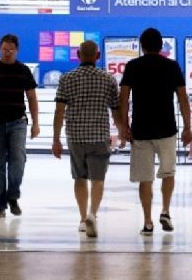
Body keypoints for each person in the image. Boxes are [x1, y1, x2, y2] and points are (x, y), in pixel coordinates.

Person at [117, 28, 192, 237]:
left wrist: (124, 126)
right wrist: (188, 127)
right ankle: (166, 211)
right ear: (161, 46)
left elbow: (123, 97)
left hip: (141, 130)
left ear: (141, 46)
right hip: (167, 128)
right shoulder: (171, 66)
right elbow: (183, 98)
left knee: (145, 177)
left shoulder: (133, 66)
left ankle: (148, 222)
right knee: (168, 172)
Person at [52, 40, 120, 238]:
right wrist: (123, 131)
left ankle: (83, 218)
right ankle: (93, 214)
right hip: (99, 135)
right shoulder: (108, 79)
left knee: (79, 177)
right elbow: (116, 111)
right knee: (98, 179)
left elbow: (59, 111)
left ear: (78, 55)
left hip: (76, 135)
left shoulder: (67, 78)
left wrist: (56, 139)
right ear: (98, 56)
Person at [0, 34, 39, 219]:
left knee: (18, 160)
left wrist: (36, 123)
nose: (7, 53)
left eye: (11, 50)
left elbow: (32, 97)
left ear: (17, 50)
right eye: (4, 49)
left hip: (18, 122)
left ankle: (13, 196)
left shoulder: (23, 70)